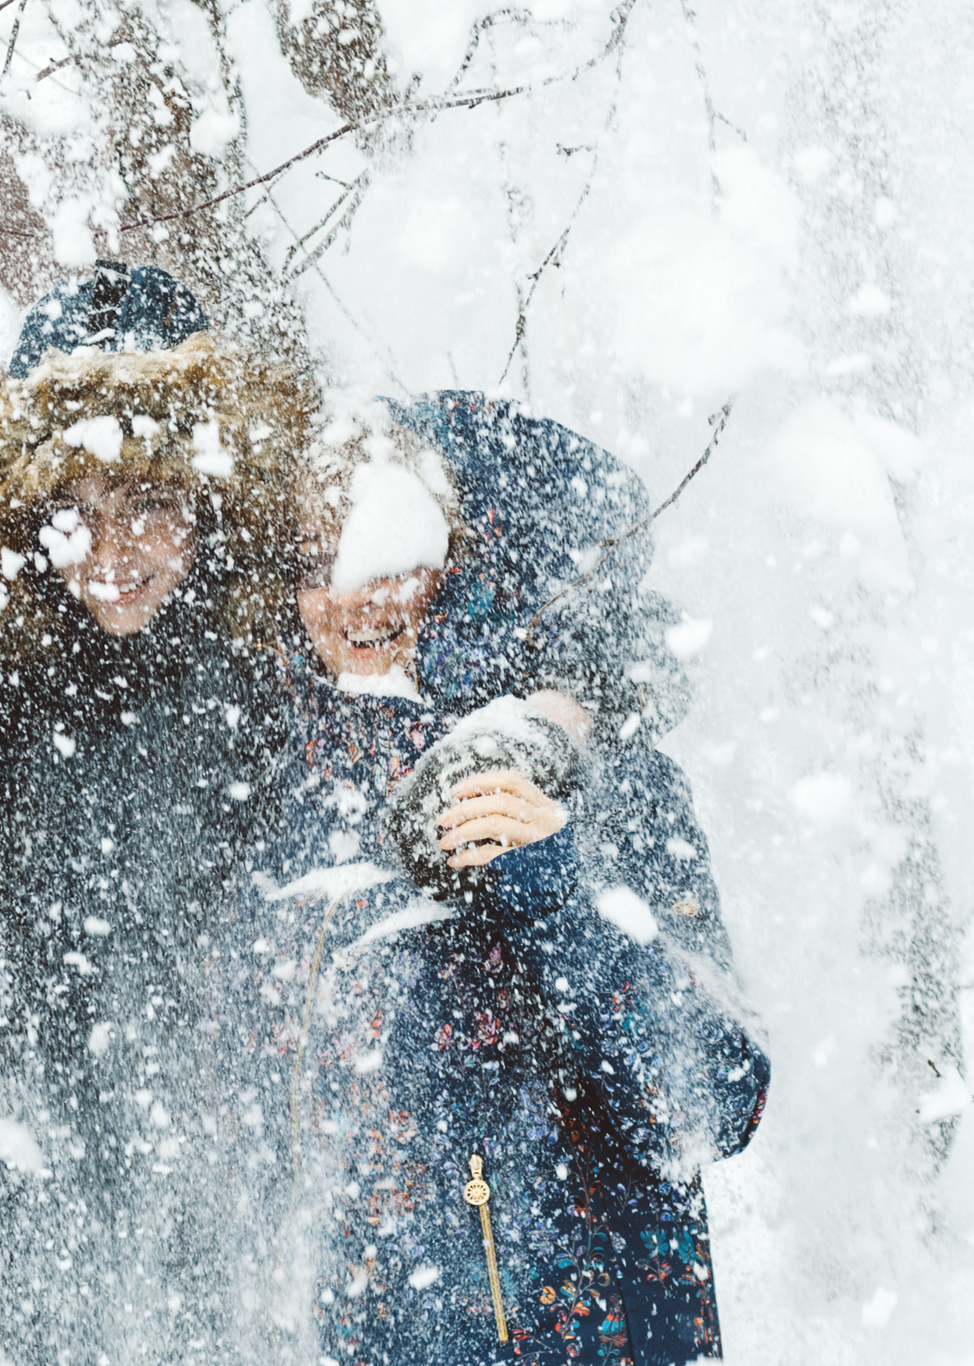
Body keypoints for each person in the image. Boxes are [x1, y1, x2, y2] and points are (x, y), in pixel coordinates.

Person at [220, 405, 767, 1366]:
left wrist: (556, 891)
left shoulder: (597, 776)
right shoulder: (273, 799)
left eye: (389, 547)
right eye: (317, 557)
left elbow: (718, 1099)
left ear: (458, 563)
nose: (353, 590)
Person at [0, 277, 319, 1362]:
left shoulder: (281, 671)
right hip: (21, 1150)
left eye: (147, 503)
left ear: (212, 501)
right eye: (73, 511)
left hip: (232, 1159)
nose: (111, 547)